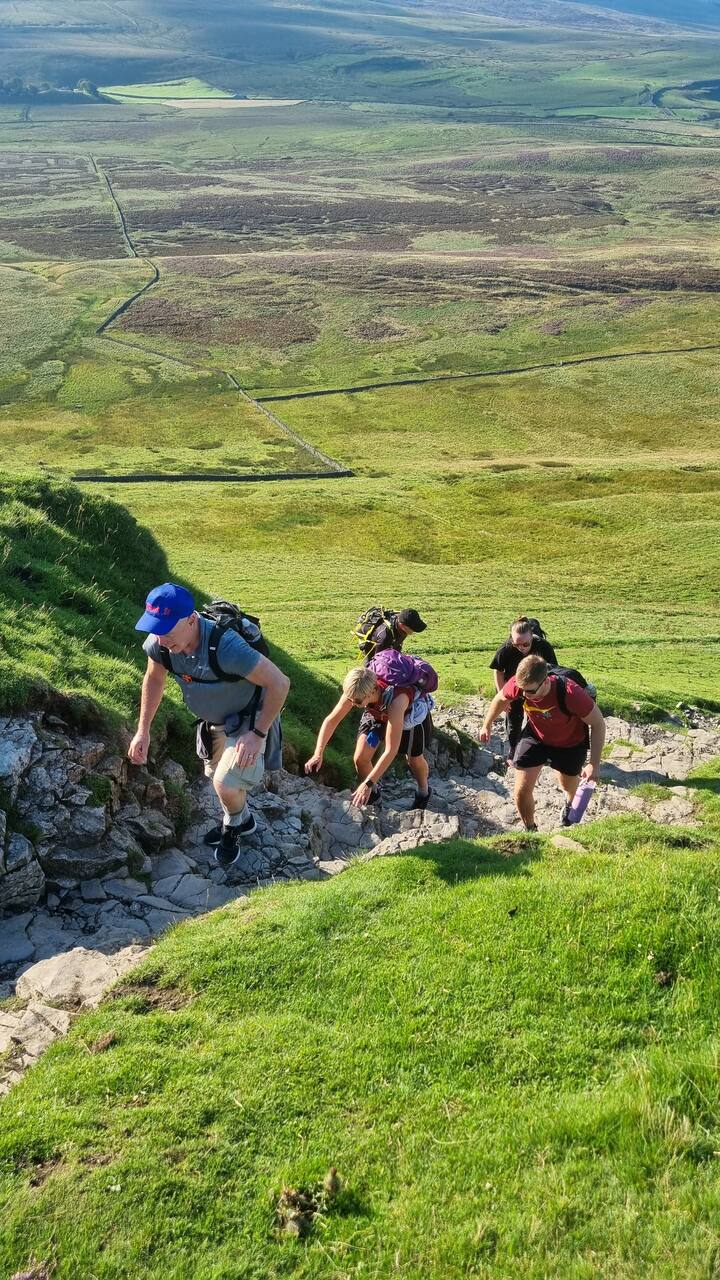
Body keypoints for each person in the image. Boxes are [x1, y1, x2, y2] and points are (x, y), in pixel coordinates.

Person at [128, 583, 290, 868]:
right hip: (213, 724)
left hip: (248, 722)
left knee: (225, 784)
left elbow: (279, 683)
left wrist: (257, 734)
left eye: (167, 630)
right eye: (156, 629)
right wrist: (143, 730)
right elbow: (154, 679)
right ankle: (246, 820)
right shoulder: (160, 645)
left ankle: (232, 828)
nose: (161, 640)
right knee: (219, 779)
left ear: (191, 619)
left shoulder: (226, 647)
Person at [479, 653, 605, 832]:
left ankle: (570, 803)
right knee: (521, 790)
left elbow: (598, 723)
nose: (525, 695)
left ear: (545, 681)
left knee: (567, 784)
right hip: (536, 736)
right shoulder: (522, 684)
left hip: (570, 743)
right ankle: (530, 830)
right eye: (522, 690)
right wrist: (487, 724)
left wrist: (594, 764)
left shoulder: (571, 693)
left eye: (530, 691)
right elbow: (500, 698)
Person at [305, 665, 433, 810]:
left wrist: (367, 783)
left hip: (406, 717)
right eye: (350, 699)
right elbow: (332, 720)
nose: (352, 704)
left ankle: (423, 792)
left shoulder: (398, 701)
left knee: (414, 759)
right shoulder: (356, 690)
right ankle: (374, 797)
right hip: (376, 713)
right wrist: (318, 753)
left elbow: (391, 751)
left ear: (372, 691)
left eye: (357, 702)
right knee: (360, 758)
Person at [489, 617, 557, 758]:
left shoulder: (543, 646)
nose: (521, 648)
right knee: (514, 719)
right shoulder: (506, 649)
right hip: (514, 687)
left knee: (538, 718)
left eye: (526, 644)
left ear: (532, 636)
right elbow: (498, 671)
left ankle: (539, 748)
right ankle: (513, 749)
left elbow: (554, 670)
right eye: (517, 644)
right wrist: (503, 695)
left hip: (537, 689)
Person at [362, 608, 428, 660]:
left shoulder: (402, 624)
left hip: (391, 644)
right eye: (412, 628)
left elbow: (397, 648)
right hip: (373, 649)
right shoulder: (385, 636)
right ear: (402, 626)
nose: (414, 631)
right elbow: (378, 660)